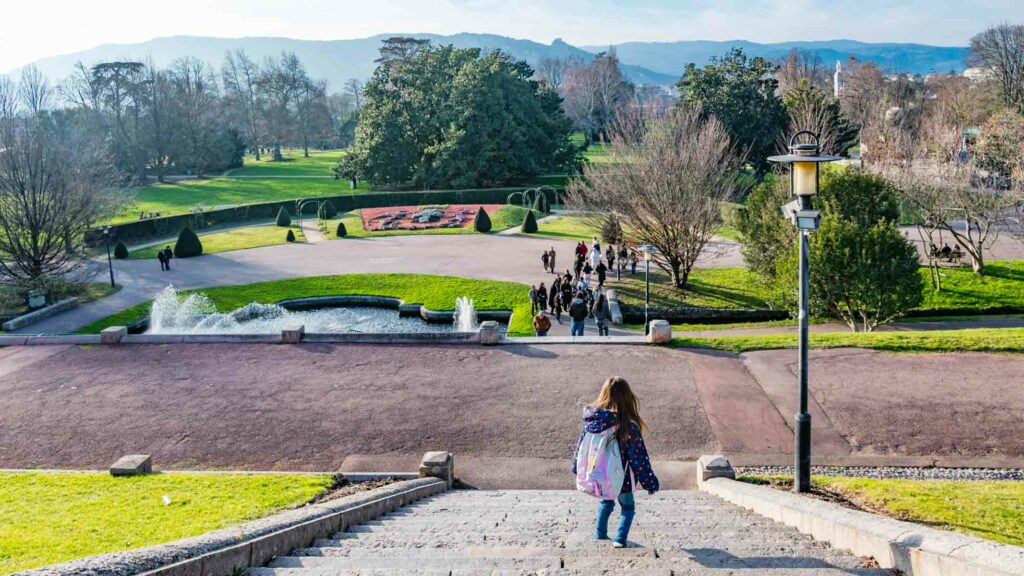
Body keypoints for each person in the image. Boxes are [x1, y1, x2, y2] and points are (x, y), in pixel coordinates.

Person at [573, 377, 660, 548]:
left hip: (599, 475)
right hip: (623, 478)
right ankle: (619, 539)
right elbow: (639, 459)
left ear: (604, 394)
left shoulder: (592, 421)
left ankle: (600, 533)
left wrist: (576, 467)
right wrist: (650, 482)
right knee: (627, 507)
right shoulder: (629, 426)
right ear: (628, 398)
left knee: (606, 501)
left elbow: (581, 447)